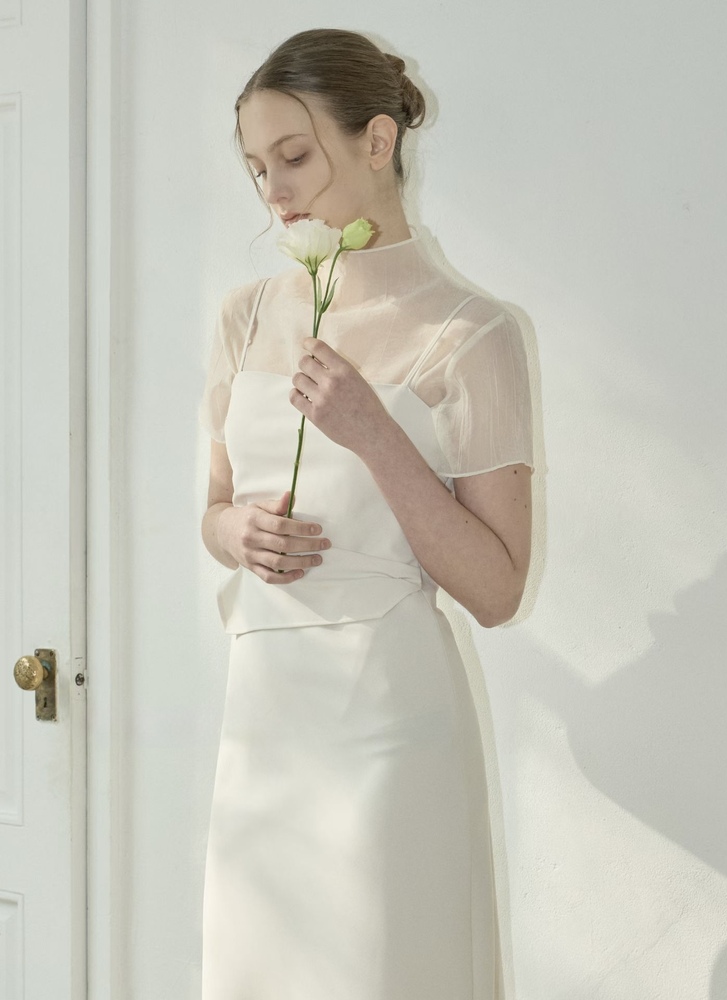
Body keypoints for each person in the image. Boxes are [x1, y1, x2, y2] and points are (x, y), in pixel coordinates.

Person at [199, 27, 534, 1000]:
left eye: (294, 156)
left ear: (377, 141)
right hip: (262, 727)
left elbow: (497, 590)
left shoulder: (472, 333)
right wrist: (234, 534)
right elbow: (212, 511)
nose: (275, 191)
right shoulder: (245, 316)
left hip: (388, 730)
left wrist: (375, 434)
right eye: (257, 168)